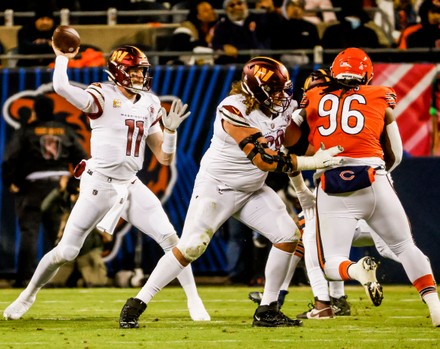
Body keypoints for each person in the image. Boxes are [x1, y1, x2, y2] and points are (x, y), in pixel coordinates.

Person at [118, 56, 344, 329]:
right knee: (191, 246)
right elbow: (263, 159)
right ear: (257, 89)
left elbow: (292, 142)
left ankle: (267, 308)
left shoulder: (283, 108)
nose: (282, 95)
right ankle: (137, 302)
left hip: (252, 189)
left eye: (283, 88)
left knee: (287, 235)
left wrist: (322, 152)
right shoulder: (233, 108)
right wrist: (313, 162)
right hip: (218, 187)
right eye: (274, 89)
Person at [3, 44, 210, 322]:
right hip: (98, 185)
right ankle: (28, 294)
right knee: (67, 251)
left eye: (142, 71)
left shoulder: (149, 103)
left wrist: (170, 132)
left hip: (130, 185)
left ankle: (194, 300)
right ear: (119, 71)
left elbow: (163, 157)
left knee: (172, 239)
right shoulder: (101, 94)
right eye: (135, 70)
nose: (140, 76)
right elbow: (61, 87)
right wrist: (62, 58)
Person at [291, 47, 440, 327]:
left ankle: (357, 272)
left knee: (331, 262)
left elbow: (290, 140)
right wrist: (380, 172)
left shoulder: (312, 96)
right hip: (374, 178)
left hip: (332, 184)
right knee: (405, 247)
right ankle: (435, 305)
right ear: (367, 74)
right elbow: (394, 151)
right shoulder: (380, 94)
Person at [2, 94, 88, 288]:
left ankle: (25, 278)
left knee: (29, 233)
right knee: (59, 235)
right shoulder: (66, 131)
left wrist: (10, 180)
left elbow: (11, 158)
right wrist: (74, 185)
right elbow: (82, 160)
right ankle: (59, 278)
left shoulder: (26, 131)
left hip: (32, 187)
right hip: (59, 187)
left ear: (35, 111)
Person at [211, 0, 280, 64]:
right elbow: (216, 44)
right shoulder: (222, 26)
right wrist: (224, 47)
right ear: (226, 10)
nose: (236, 7)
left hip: (262, 61)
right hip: (237, 64)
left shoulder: (257, 18)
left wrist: (272, 11)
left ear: (245, 5)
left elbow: (276, 28)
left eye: (239, 3)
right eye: (231, 5)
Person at [166, 0, 218, 65]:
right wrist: (205, 42)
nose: (211, 12)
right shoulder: (184, 29)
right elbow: (181, 49)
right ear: (198, 16)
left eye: (211, 9)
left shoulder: (216, 28)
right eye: (206, 11)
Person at [271, 0, 321, 65]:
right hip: (284, 61)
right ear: (287, 8)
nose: (296, 9)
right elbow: (275, 49)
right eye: (293, 5)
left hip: (305, 62)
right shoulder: (279, 26)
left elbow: (316, 47)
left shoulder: (311, 27)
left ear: (303, 9)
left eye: (299, 6)